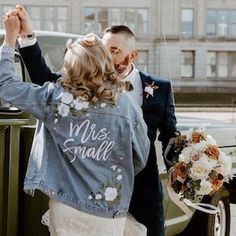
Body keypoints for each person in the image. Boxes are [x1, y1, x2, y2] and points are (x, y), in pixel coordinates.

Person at [16, 5, 178, 235]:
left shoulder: (160, 88)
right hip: (91, 192)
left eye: (114, 50)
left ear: (132, 55)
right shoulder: (78, 85)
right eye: (104, 49)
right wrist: (27, 36)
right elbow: (43, 77)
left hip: (142, 190)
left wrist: (177, 168)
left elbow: (170, 134)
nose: (106, 57)